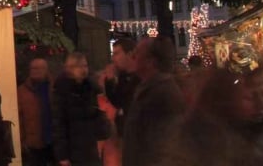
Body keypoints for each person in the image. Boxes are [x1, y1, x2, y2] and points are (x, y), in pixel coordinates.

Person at [121, 37, 183, 166]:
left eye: (137, 52)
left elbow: (164, 149)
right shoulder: (148, 88)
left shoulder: (163, 94)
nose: (132, 56)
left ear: (150, 62)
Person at [51, 52, 107, 166]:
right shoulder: (62, 91)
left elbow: (98, 115)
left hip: (91, 147)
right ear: (70, 68)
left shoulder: (91, 88)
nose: (83, 69)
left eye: (85, 65)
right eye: (79, 66)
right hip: (73, 149)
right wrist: (63, 155)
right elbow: (58, 124)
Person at [17, 58, 54, 166]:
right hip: (33, 145)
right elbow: (19, 117)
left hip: (54, 142)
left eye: (39, 68)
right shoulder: (21, 91)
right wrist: (22, 140)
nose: (35, 71)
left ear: (46, 70)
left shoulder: (54, 88)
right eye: (33, 68)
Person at [102, 39, 139, 141]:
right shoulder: (123, 75)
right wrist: (109, 81)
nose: (113, 58)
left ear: (130, 54)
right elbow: (118, 102)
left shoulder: (142, 76)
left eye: (117, 54)